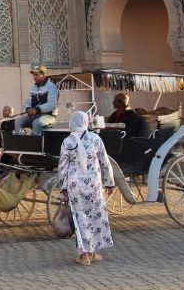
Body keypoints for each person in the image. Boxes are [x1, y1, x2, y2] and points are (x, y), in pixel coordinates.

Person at [58, 111, 115, 266]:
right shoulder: (96, 139)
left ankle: (85, 255)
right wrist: (109, 182)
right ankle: (90, 252)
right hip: (93, 185)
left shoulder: (68, 142)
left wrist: (62, 188)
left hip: (75, 185)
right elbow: (104, 161)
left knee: (80, 219)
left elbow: (63, 167)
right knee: (95, 217)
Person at [14, 65, 59, 135]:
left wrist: (36, 110)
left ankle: (36, 145)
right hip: (34, 116)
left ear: (43, 74)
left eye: (36, 75)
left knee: (36, 123)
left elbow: (51, 104)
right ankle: (21, 143)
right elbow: (28, 102)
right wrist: (28, 108)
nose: (34, 77)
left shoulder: (51, 87)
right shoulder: (33, 87)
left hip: (49, 116)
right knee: (18, 121)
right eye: (33, 75)